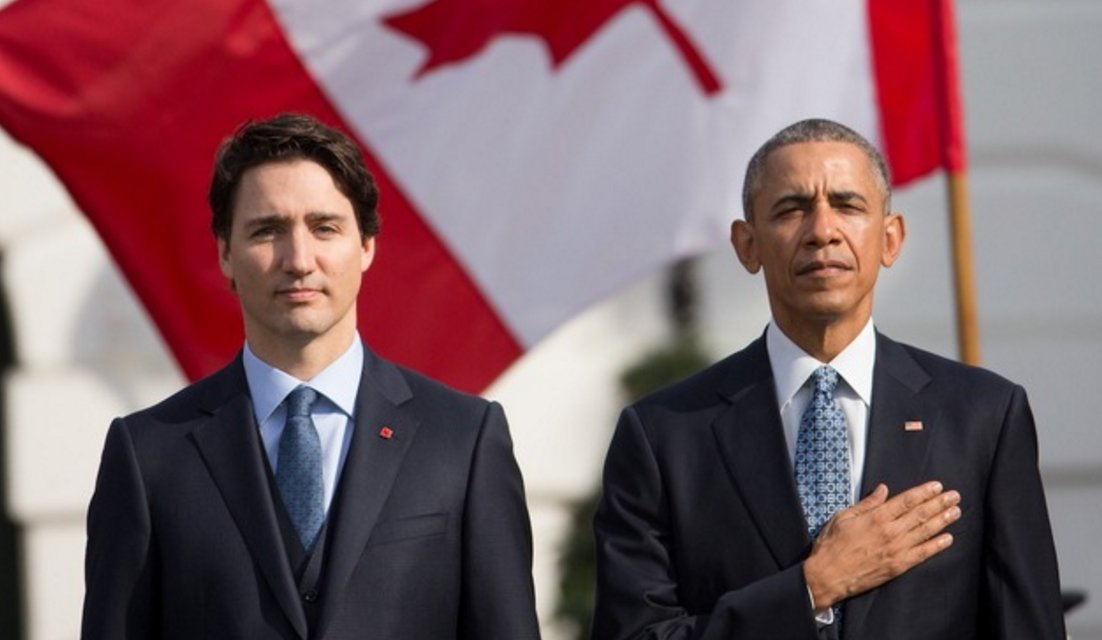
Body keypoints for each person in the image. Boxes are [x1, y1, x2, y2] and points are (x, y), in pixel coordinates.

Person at [591, 118, 1065, 639]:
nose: (822, 231)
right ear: (747, 245)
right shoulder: (665, 434)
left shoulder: (982, 418)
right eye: (791, 209)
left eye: (847, 205)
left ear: (890, 238)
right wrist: (813, 587)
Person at [81, 113, 541, 639]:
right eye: (267, 230)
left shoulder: (464, 440)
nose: (299, 260)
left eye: (325, 228)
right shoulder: (148, 455)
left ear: (366, 245)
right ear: (225, 252)